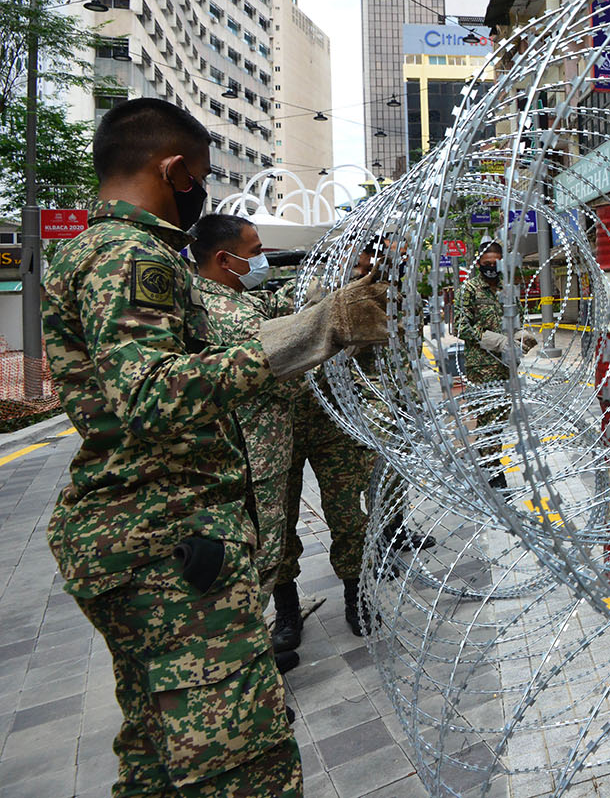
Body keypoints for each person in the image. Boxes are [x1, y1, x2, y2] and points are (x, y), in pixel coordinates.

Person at [42, 98, 388, 796]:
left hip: (138, 533)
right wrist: (308, 337)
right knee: (241, 765)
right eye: (197, 175)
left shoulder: (89, 250)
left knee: (156, 753)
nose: (197, 194)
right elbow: (151, 393)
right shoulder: (130, 256)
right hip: (170, 541)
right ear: (172, 169)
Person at [190, 213, 299, 673]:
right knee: (259, 561)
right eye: (254, 253)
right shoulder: (231, 315)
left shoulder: (213, 301)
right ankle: (250, 676)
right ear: (224, 259)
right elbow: (284, 380)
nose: (261, 261)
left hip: (241, 457)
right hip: (258, 456)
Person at [272, 243, 394, 650]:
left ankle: (355, 595)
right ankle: (286, 609)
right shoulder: (271, 300)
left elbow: (372, 362)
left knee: (346, 515)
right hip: (281, 430)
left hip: (333, 424)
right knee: (278, 523)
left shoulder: (347, 301)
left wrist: (374, 411)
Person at [454, 241, 535, 488]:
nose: (491, 268)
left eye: (495, 263)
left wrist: (522, 338)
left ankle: (490, 464)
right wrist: (496, 340)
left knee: (499, 418)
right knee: (487, 418)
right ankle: (492, 472)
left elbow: (517, 320)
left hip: (506, 366)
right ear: (479, 263)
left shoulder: (507, 290)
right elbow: (460, 325)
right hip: (481, 368)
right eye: (486, 263)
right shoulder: (469, 290)